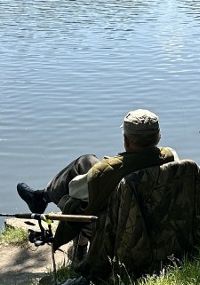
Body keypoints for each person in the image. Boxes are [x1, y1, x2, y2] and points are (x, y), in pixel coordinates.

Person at [17, 109, 178, 262]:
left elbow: (74, 190)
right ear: (158, 137)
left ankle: (44, 200)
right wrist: (110, 166)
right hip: (157, 220)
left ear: (126, 141)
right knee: (86, 162)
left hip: (117, 230)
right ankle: (41, 198)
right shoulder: (171, 158)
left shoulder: (110, 172)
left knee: (77, 199)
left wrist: (105, 171)